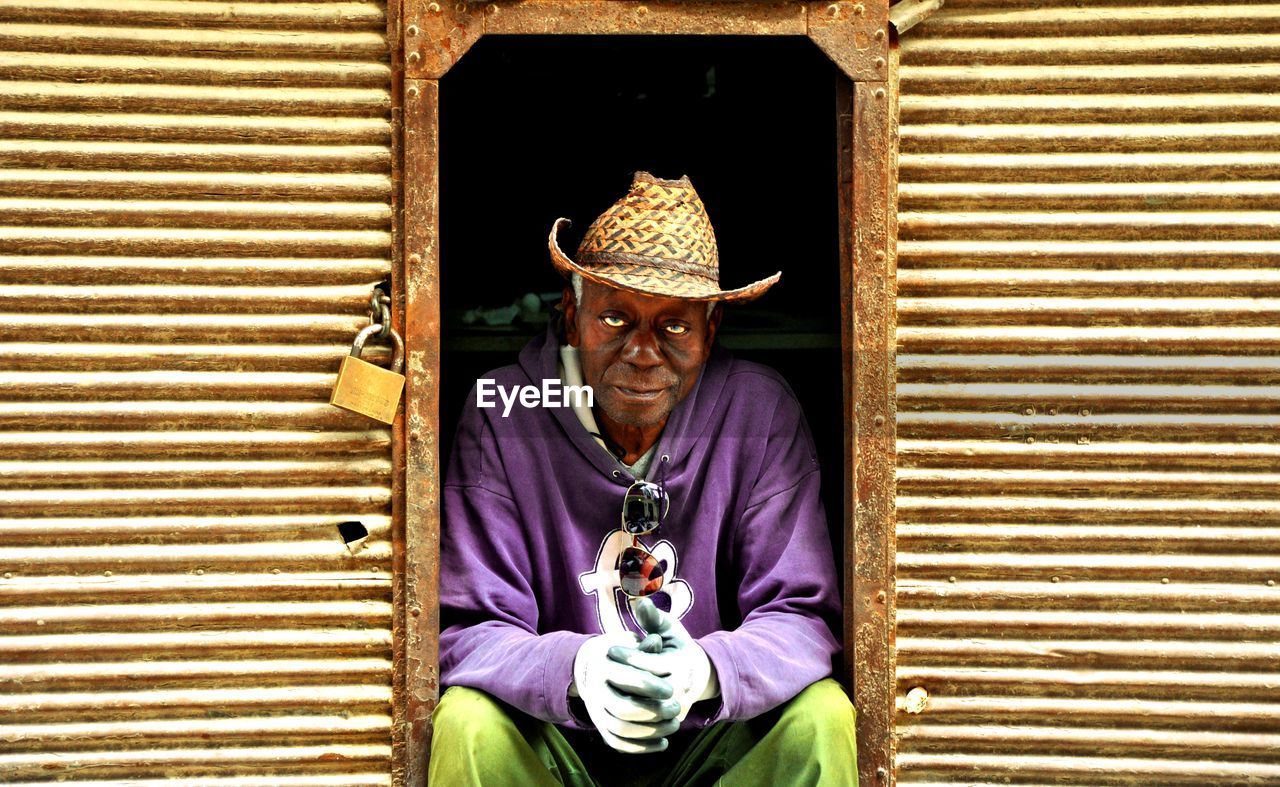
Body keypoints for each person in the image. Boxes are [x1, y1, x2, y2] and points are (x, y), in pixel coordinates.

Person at [429, 171, 858, 786]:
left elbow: (802, 614)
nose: (642, 350)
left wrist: (703, 672)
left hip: (710, 741)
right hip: (558, 742)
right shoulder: (506, 408)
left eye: (675, 326)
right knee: (468, 721)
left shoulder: (760, 411)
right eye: (615, 320)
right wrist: (577, 668)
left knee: (820, 718)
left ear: (712, 333)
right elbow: (468, 629)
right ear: (570, 317)